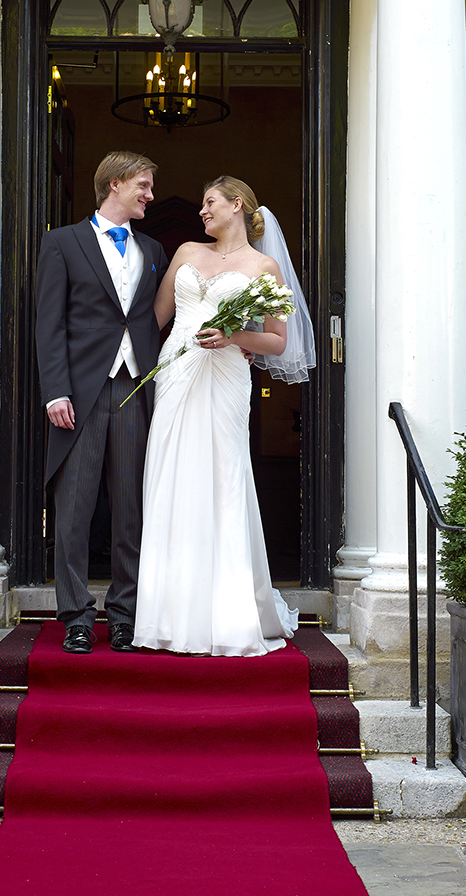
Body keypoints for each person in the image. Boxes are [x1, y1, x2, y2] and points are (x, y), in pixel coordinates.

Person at [133, 175, 314, 656]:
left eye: (210, 202)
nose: (202, 212)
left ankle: (228, 613)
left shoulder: (264, 266)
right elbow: (156, 317)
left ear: (237, 205)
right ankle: (168, 613)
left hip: (227, 377)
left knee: (223, 479)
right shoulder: (187, 253)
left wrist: (234, 336)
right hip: (176, 375)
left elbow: (276, 340)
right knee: (171, 478)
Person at [35, 151, 165, 654]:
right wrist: (55, 391)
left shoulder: (152, 248)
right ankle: (76, 616)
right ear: (115, 184)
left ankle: (125, 615)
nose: (150, 196)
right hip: (79, 392)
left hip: (135, 390)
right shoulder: (62, 243)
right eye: (144, 186)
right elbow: (50, 323)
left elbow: (153, 320)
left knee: (131, 507)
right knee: (74, 509)